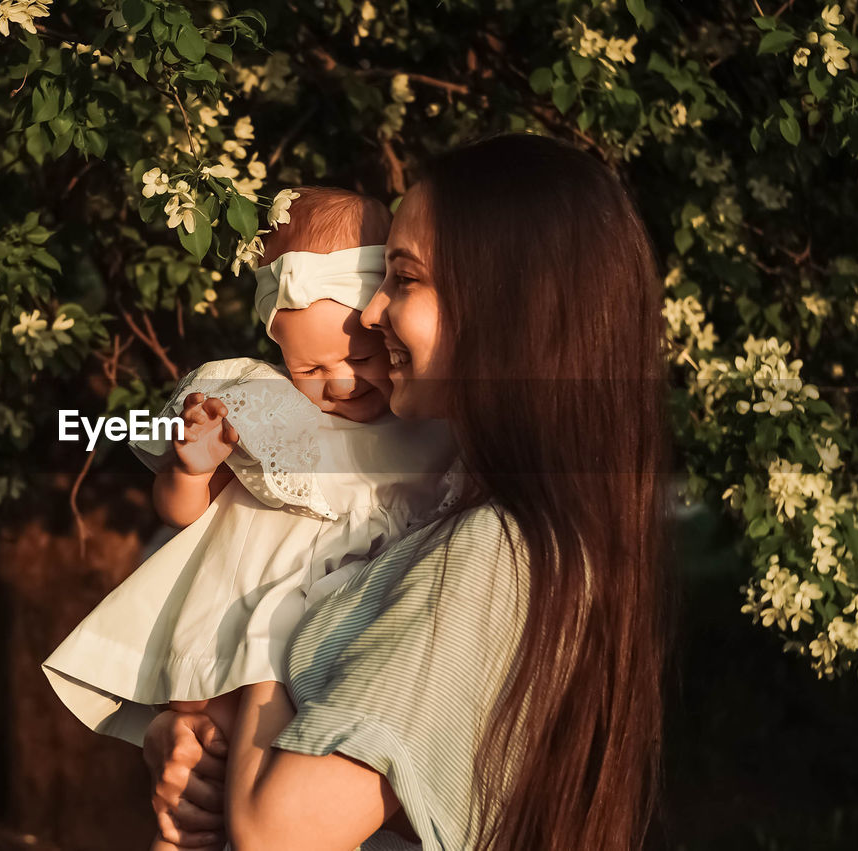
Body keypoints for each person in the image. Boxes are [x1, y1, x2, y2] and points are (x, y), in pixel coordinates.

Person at [142, 133, 671, 851]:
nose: (368, 312)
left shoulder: (496, 552)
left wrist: (258, 648)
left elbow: (280, 831)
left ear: (505, 306)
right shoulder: (466, 518)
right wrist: (197, 735)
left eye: (404, 278)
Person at [40, 188, 458, 851]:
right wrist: (191, 470)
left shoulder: (426, 434)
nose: (341, 381)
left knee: (277, 772)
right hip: (251, 622)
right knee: (206, 736)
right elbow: (184, 515)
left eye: (361, 357)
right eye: (311, 367)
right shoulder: (260, 406)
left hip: (338, 642)